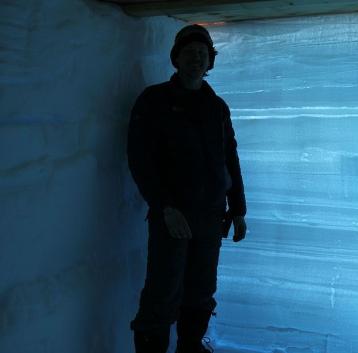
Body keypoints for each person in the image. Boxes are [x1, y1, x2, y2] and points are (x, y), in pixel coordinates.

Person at [127, 24, 247, 353]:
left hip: (211, 217)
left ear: (210, 62)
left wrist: (238, 208)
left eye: (202, 53)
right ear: (175, 59)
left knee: (201, 290)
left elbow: (230, 157)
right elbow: (140, 159)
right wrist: (164, 206)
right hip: (173, 216)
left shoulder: (217, 107)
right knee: (163, 291)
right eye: (189, 52)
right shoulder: (154, 101)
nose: (196, 58)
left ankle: (190, 347)